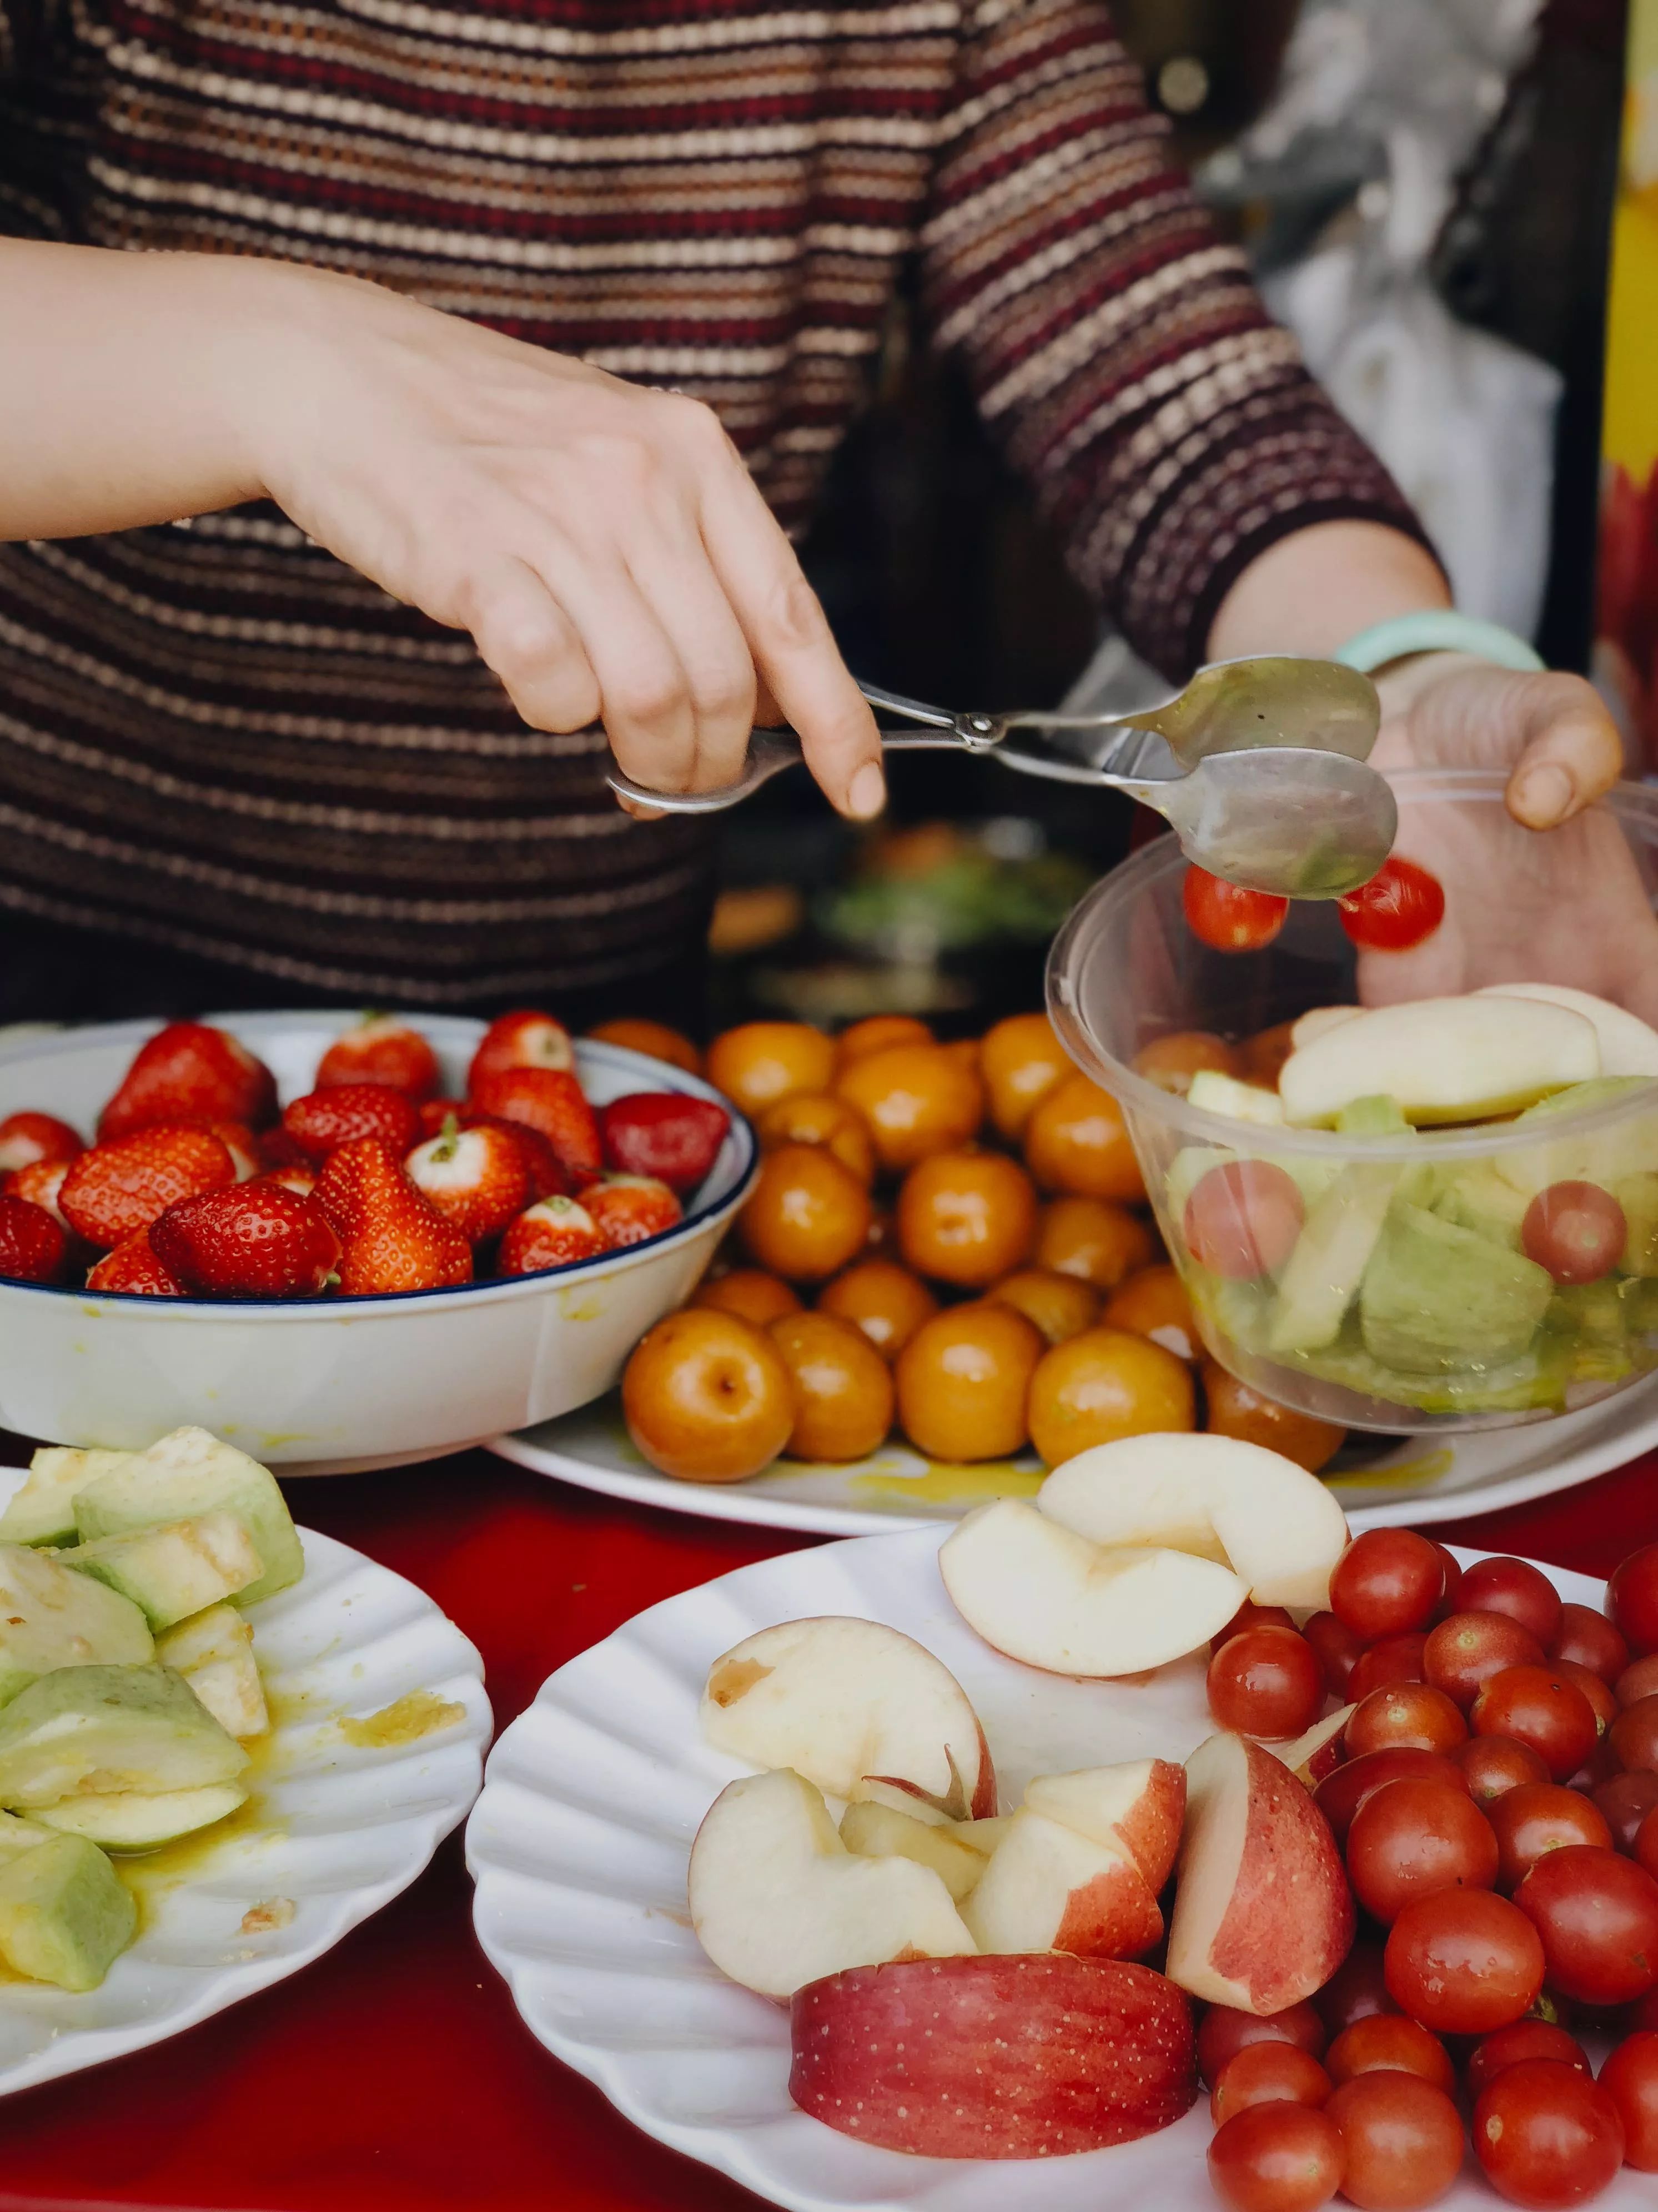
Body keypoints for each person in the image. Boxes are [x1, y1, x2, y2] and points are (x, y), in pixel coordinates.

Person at [0, 1, 1623, 1024]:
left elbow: (1176, 397)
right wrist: (271, 359)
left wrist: (1404, 689)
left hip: (571, 1074)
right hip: (56, 997)